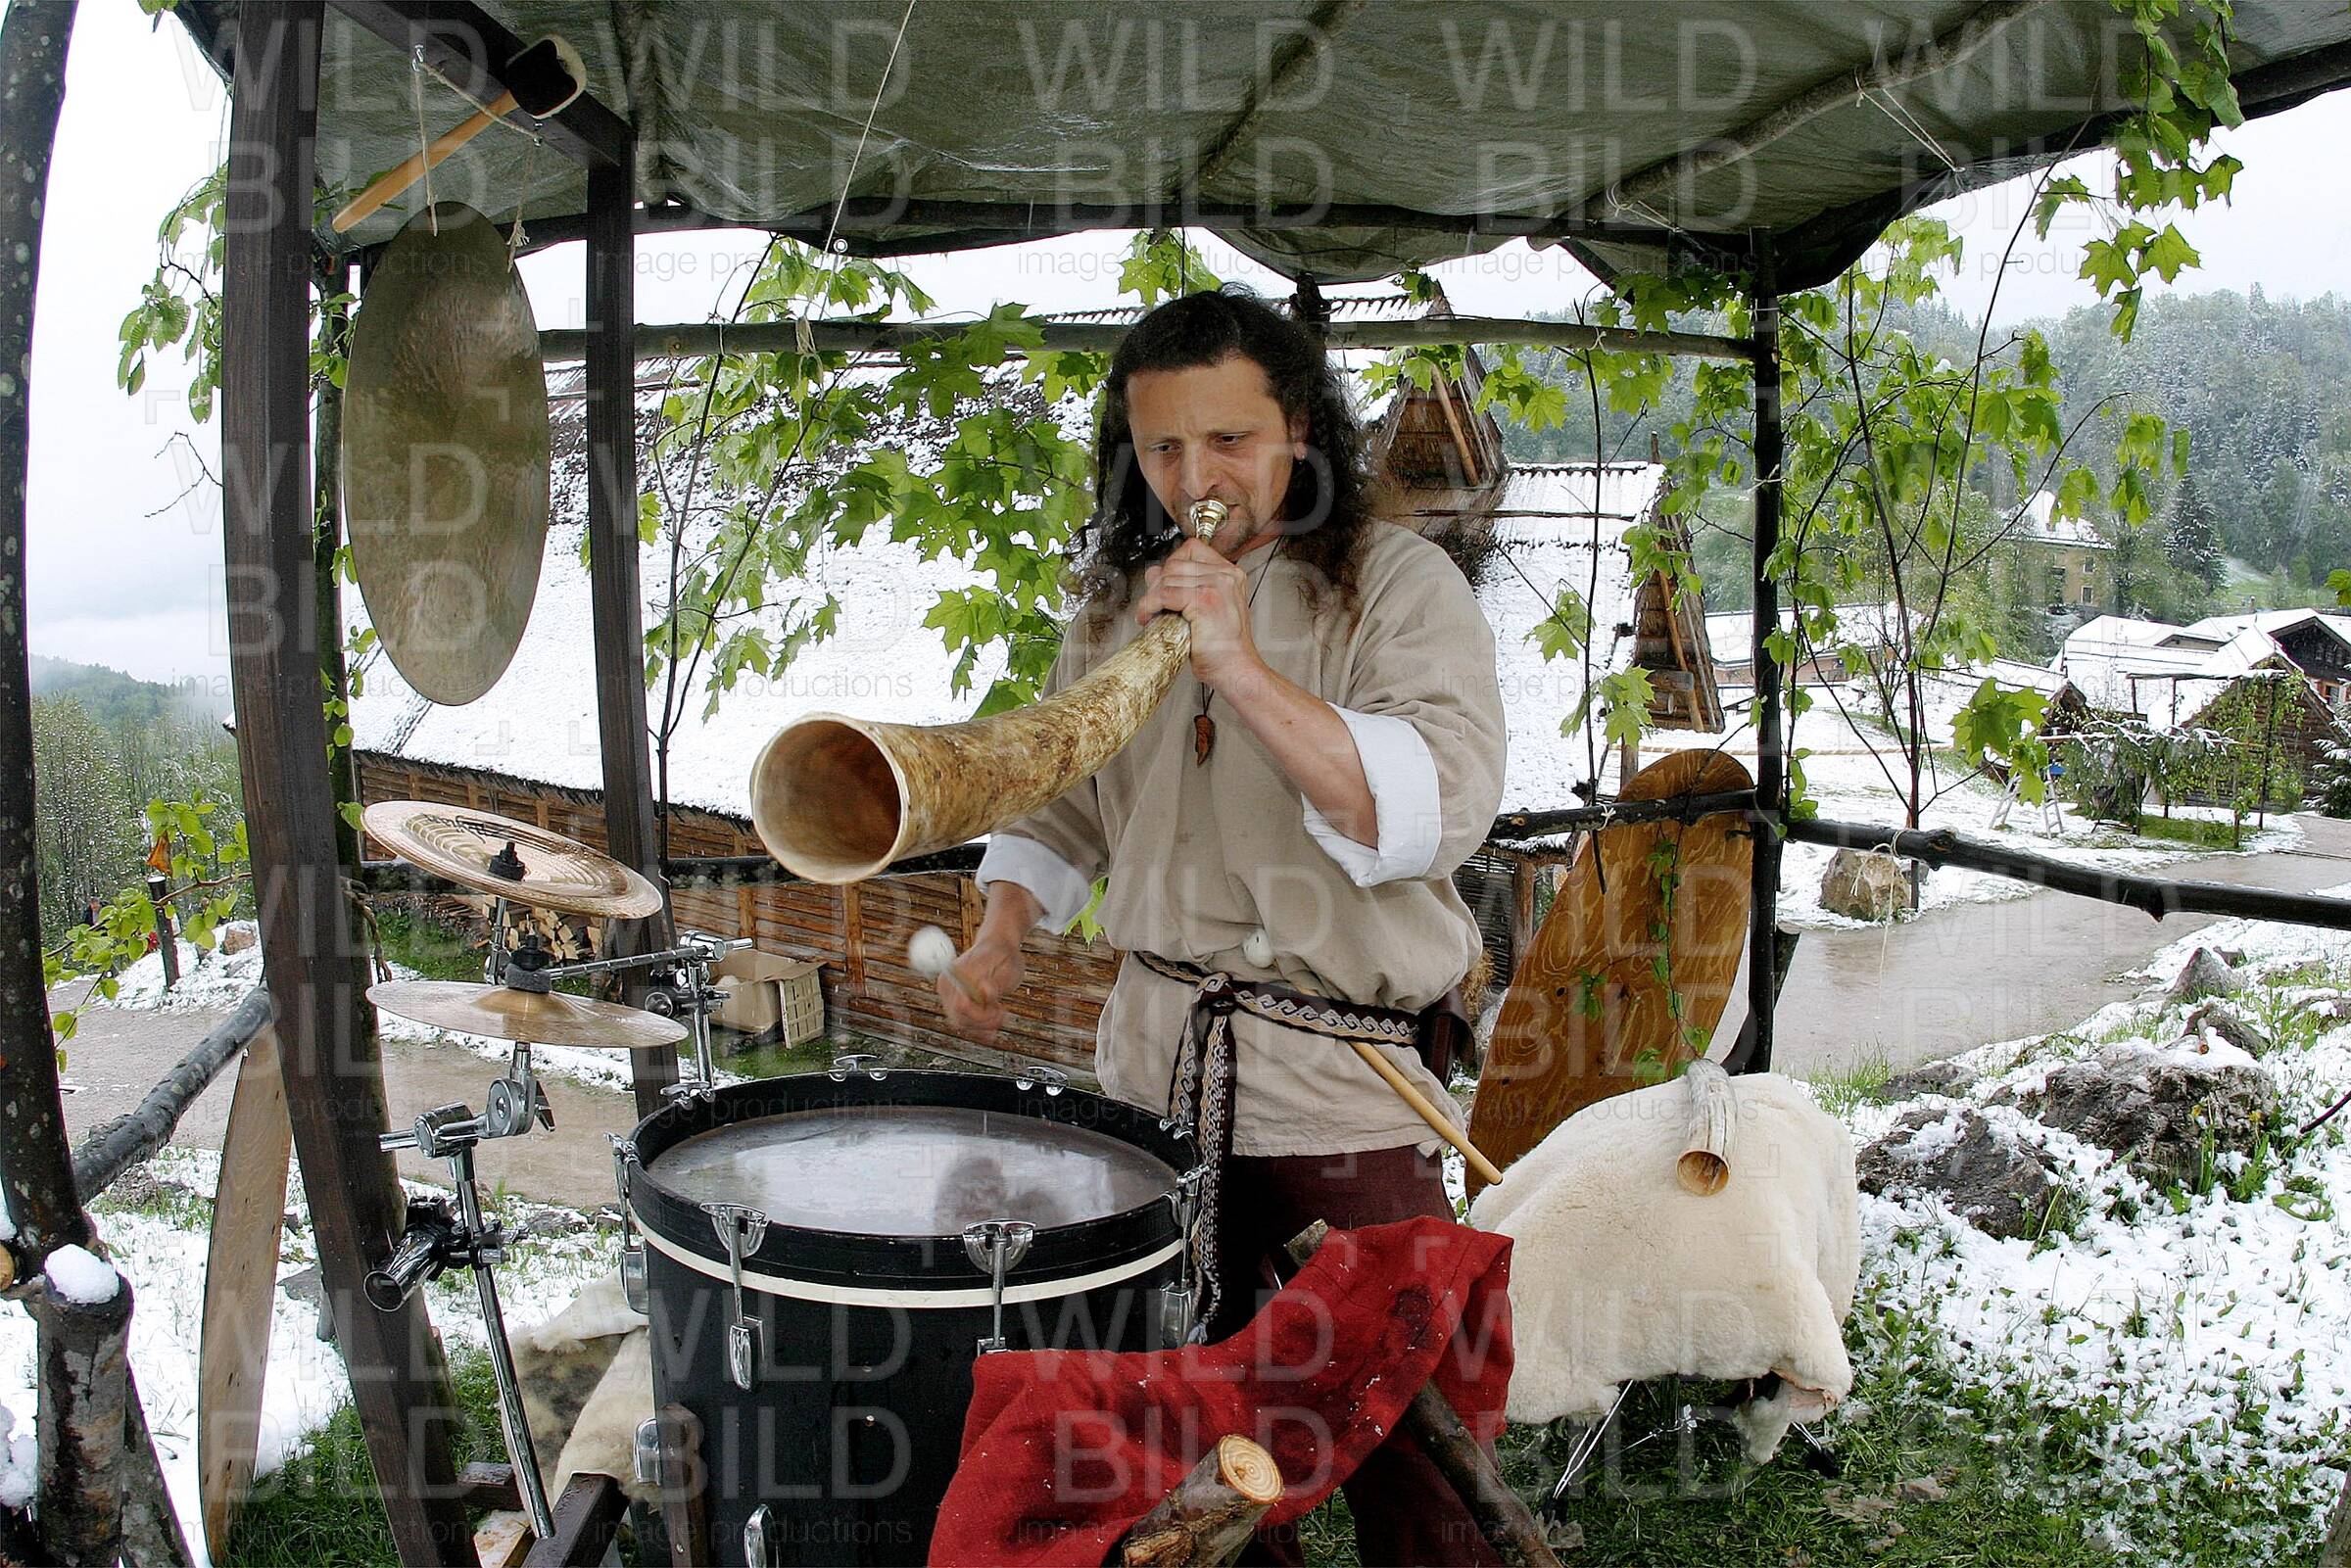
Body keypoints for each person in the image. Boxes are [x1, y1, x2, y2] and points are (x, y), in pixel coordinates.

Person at [936, 288, 1509, 1565]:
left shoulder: (1398, 587)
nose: (1195, 479)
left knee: (1416, 1448)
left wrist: (1239, 664)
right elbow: (1065, 793)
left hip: (1340, 1088)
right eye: (1163, 447)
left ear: (1300, 428)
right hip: (1153, 1084)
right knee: (1174, 1450)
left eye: (1231, 441)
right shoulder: (1118, 604)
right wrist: (1005, 924)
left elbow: (1435, 806)